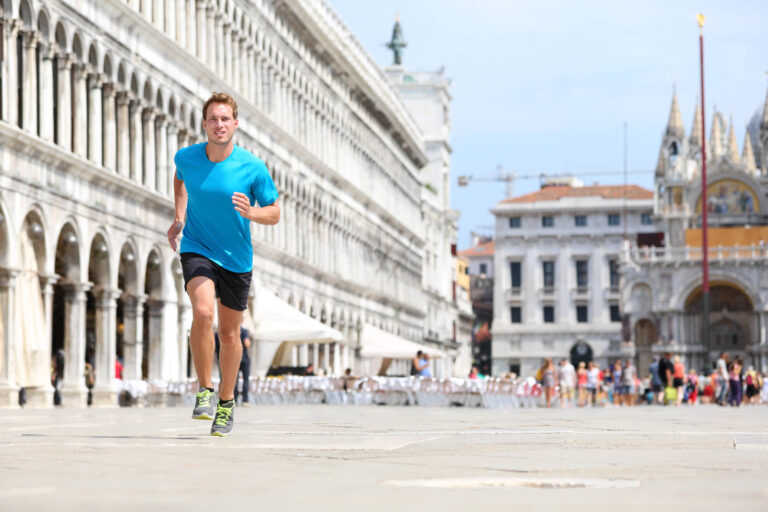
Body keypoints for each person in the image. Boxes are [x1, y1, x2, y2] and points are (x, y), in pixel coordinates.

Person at [168, 92, 280, 437]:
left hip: (236, 258)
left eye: (225, 119)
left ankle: (226, 400)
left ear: (235, 124)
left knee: (230, 334)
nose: (219, 125)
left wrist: (252, 213)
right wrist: (179, 216)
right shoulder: (186, 157)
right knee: (202, 313)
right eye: (213, 119)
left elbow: (274, 212)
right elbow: (179, 179)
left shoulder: (252, 167)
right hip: (197, 246)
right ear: (204, 124)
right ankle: (204, 388)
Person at [215, 326, 252, 406]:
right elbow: (247, 344)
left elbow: (215, 348)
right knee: (245, 379)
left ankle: (232, 399)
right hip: (243, 358)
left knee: (232, 379)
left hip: (227, 359)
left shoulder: (217, 333)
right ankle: (245, 400)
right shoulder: (243, 330)